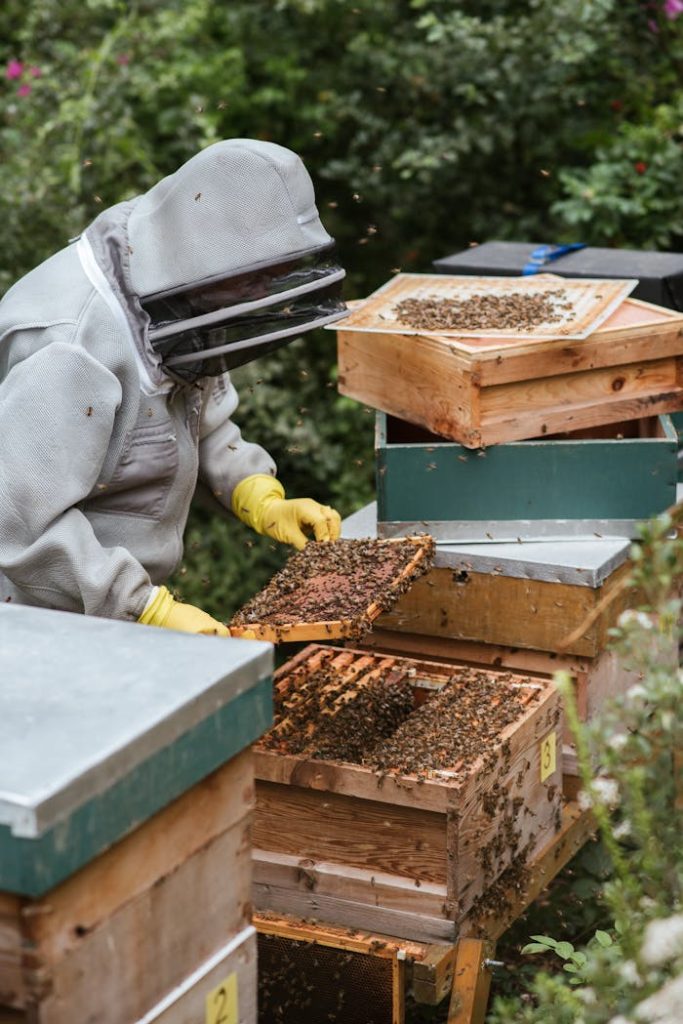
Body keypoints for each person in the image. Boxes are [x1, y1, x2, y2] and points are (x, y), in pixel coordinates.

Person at [0, 138, 348, 636]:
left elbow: (196, 421)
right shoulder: (70, 346)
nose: (259, 293)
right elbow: (19, 523)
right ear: (210, 251)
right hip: (31, 622)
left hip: (114, 616)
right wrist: (142, 608)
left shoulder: (180, 298)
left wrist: (258, 493)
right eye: (253, 278)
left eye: (272, 277)